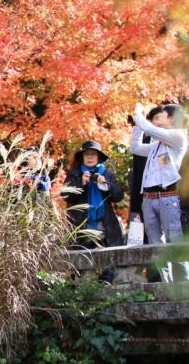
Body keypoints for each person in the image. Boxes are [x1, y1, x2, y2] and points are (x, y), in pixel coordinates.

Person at [130, 103, 188, 279]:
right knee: (156, 246)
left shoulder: (178, 136)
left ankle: (183, 285)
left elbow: (149, 128)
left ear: (171, 118)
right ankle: (166, 285)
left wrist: (139, 114)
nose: (155, 119)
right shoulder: (157, 145)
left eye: (159, 115)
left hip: (167, 197)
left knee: (174, 242)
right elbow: (135, 148)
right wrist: (137, 126)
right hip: (148, 198)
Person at [63, 140, 125, 282]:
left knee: (107, 261)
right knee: (83, 262)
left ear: (98, 157)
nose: (90, 157)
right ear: (82, 157)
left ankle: (106, 283)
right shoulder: (74, 173)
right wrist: (81, 183)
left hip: (104, 223)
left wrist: (106, 184)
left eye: (93, 154)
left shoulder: (107, 173)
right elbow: (65, 196)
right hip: (82, 223)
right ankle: (84, 287)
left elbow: (118, 196)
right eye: (87, 154)